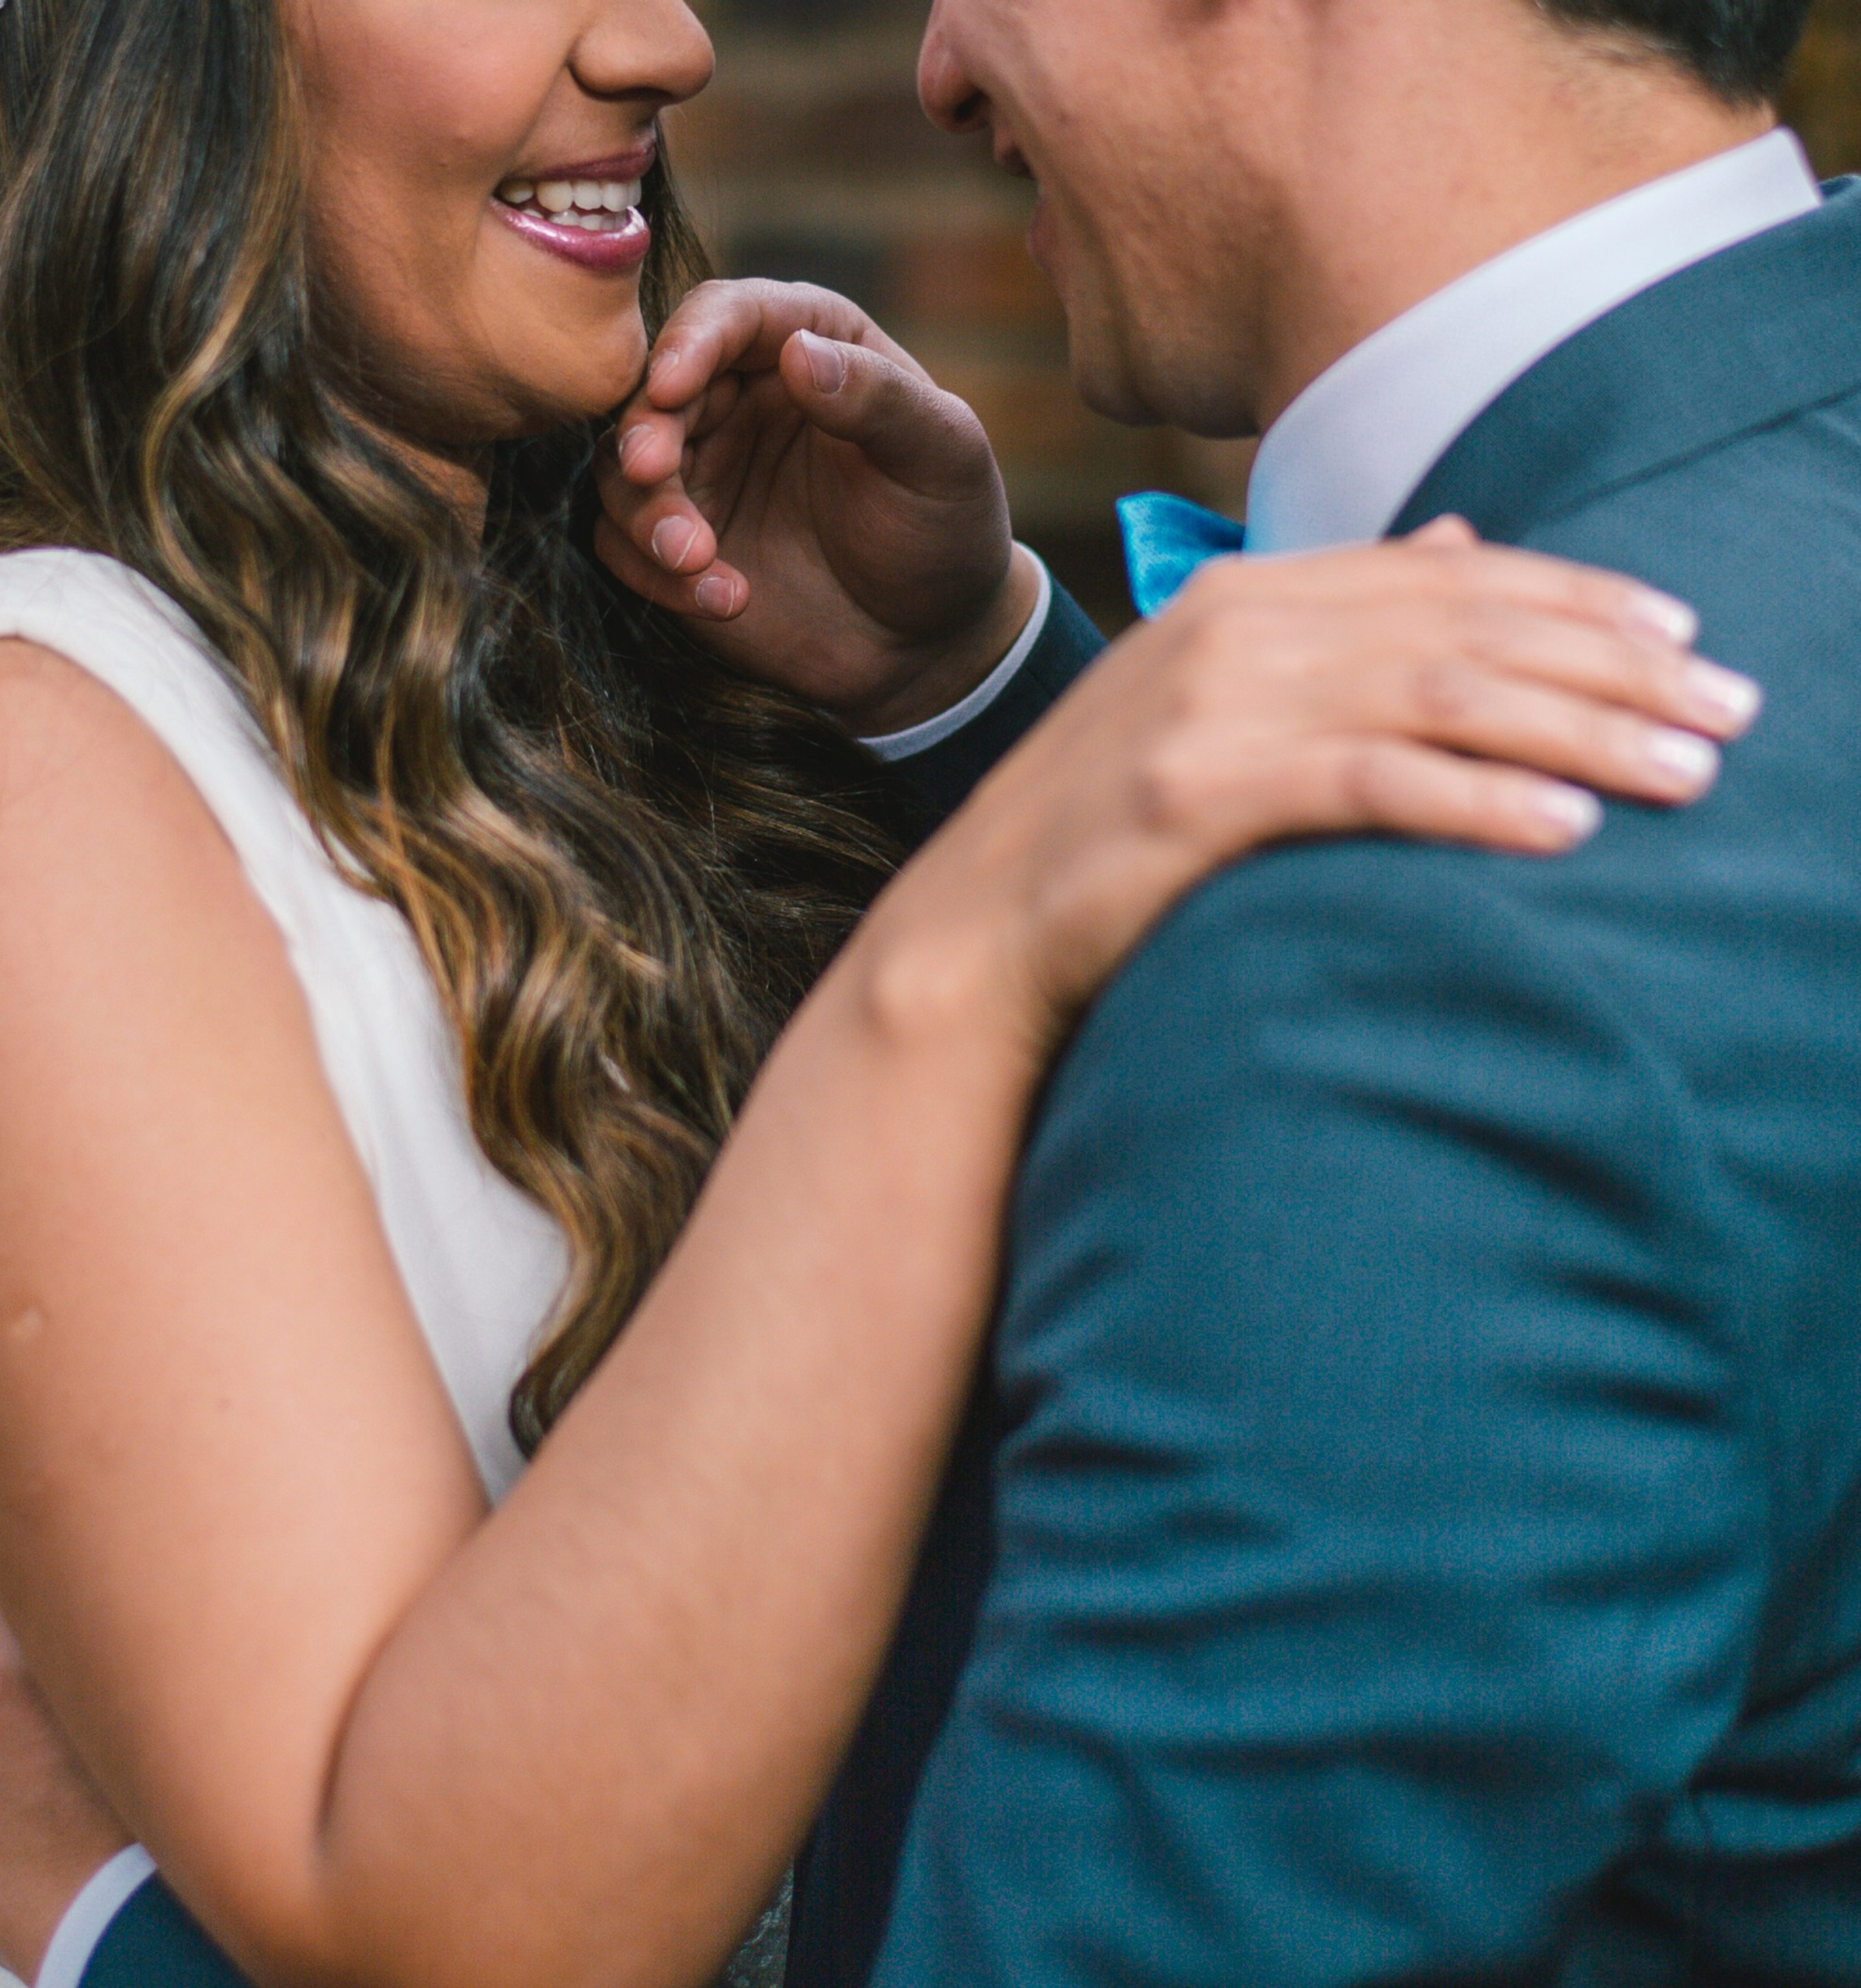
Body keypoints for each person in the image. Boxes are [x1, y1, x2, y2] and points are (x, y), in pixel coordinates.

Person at [0, 3, 1751, 1988]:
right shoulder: (55, 749)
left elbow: (1184, 1210)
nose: (664, 41)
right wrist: (964, 942)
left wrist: (965, 690)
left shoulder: (566, 667)